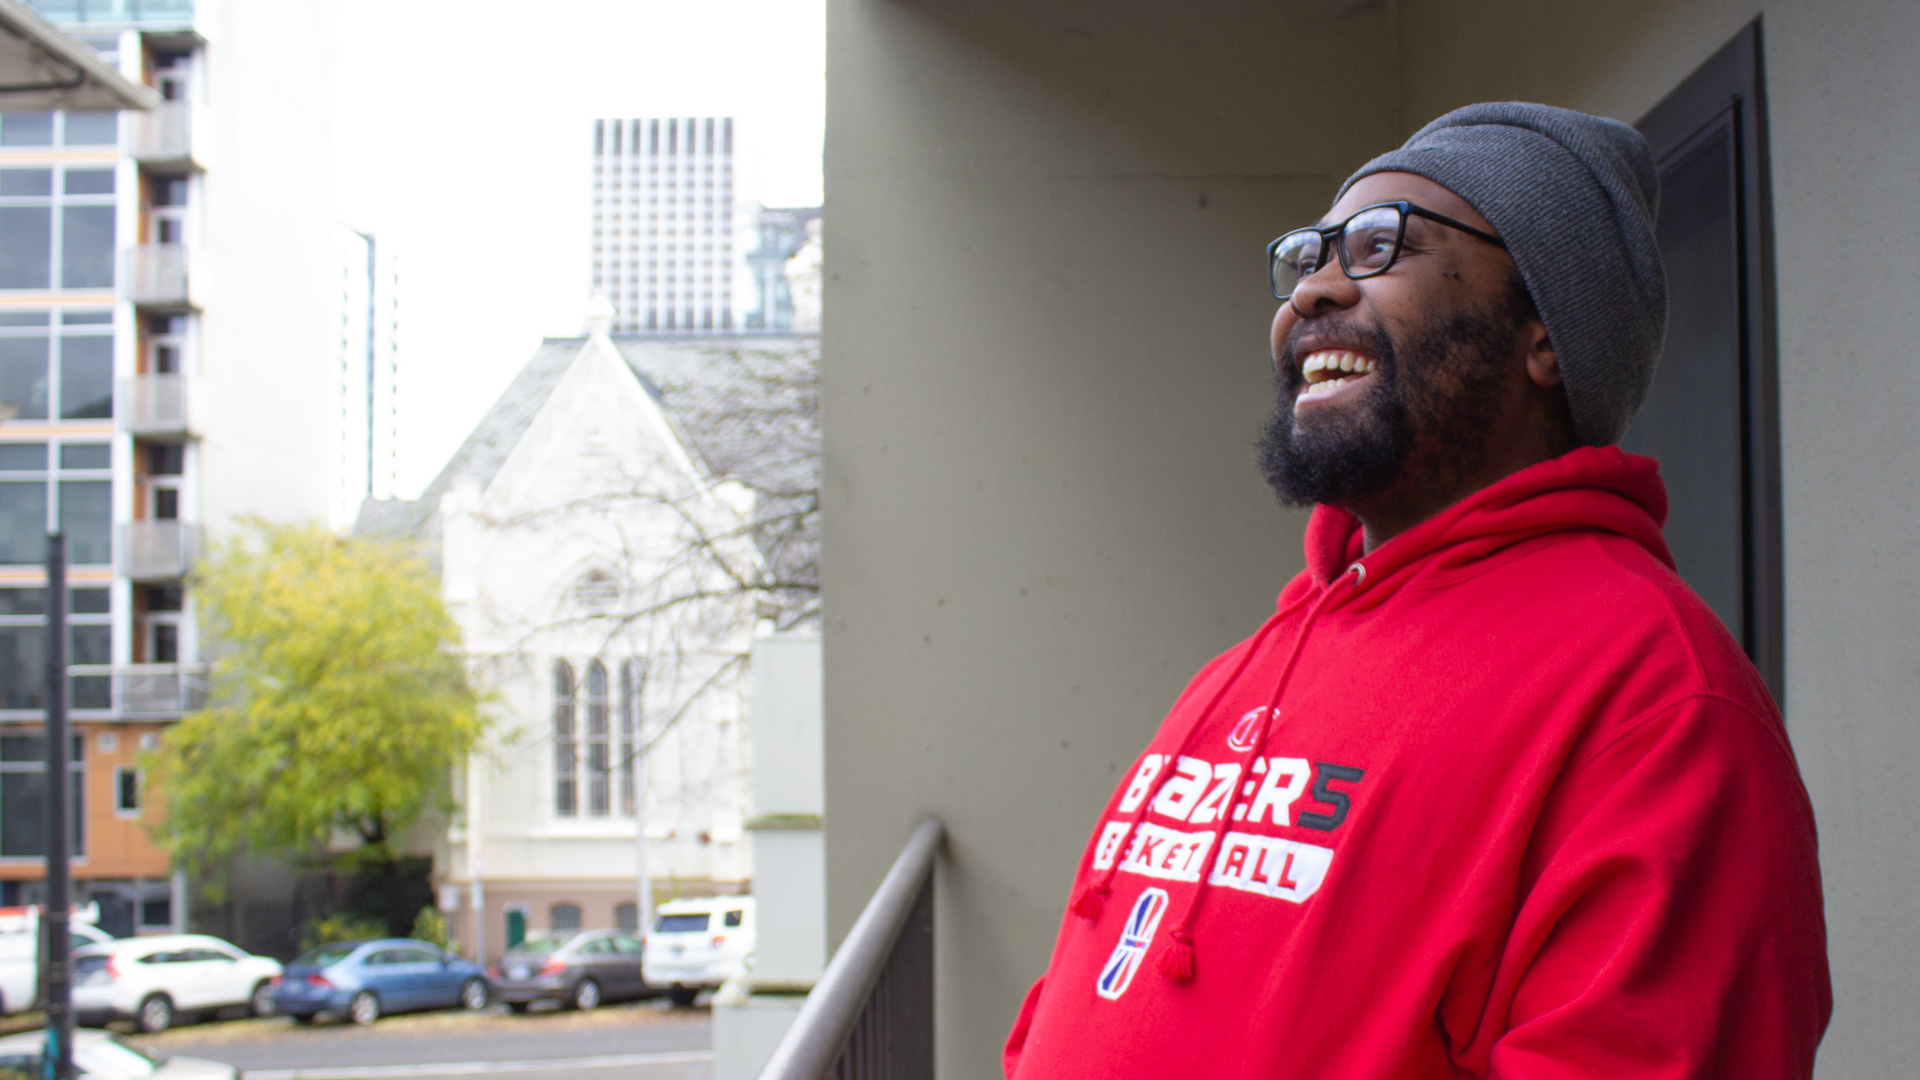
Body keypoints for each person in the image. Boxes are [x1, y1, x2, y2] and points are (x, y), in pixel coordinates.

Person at [1002, 103, 1830, 1078]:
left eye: (1379, 246)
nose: (1313, 291)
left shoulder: (1660, 705)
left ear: (1546, 336)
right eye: (1309, 255)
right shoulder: (1256, 663)